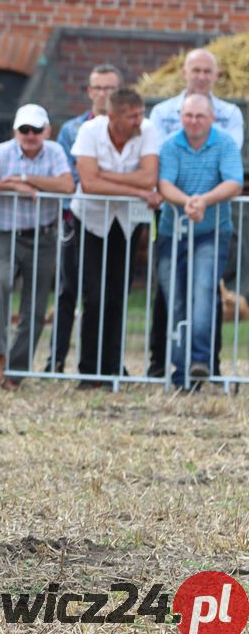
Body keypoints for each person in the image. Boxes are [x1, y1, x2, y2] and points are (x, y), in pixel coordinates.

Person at [147, 48, 245, 378]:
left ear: (212, 118)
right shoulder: (171, 140)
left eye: (200, 117)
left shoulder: (226, 137)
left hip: (212, 230)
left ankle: (200, 361)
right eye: (188, 116)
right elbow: (163, 180)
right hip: (173, 228)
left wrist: (201, 202)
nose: (193, 121)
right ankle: (177, 368)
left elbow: (233, 180)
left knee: (204, 292)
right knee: (174, 298)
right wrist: (188, 202)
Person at [0, 104, 74, 391]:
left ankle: (17, 370)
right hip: (5, 234)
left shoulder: (55, 152)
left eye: (36, 130)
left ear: (47, 131)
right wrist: (12, 187)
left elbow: (66, 185)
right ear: (15, 131)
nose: (30, 135)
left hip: (43, 236)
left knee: (36, 307)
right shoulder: (2, 152)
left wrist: (26, 179)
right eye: (24, 129)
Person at [70, 88, 161, 389]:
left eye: (140, 113)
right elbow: (88, 183)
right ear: (113, 116)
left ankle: (112, 369)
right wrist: (135, 190)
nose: (139, 119)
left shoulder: (147, 131)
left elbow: (150, 177)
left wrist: (105, 176)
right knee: (94, 295)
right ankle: (89, 370)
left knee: (119, 294)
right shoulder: (89, 130)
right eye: (132, 115)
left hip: (127, 223)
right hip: (91, 220)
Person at [49, 63, 122, 373]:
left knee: (110, 292)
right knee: (68, 290)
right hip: (75, 219)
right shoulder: (73, 129)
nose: (104, 94)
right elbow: (71, 175)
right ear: (90, 91)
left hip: (116, 221)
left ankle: (110, 361)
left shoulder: (126, 128)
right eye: (99, 88)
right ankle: (57, 358)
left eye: (110, 88)